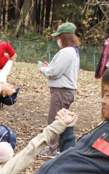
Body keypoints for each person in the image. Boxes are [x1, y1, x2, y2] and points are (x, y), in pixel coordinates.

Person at [38, 22, 80, 158]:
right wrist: (50, 66)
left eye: (59, 37)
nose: (58, 40)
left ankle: (51, 149)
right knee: (63, 119)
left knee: (55, 119)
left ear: (65, 37)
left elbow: (55, 71)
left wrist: (44, 69)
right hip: (67, 90)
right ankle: (61, 147)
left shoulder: (66, 51)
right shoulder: (73, 51)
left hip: (62, 91)